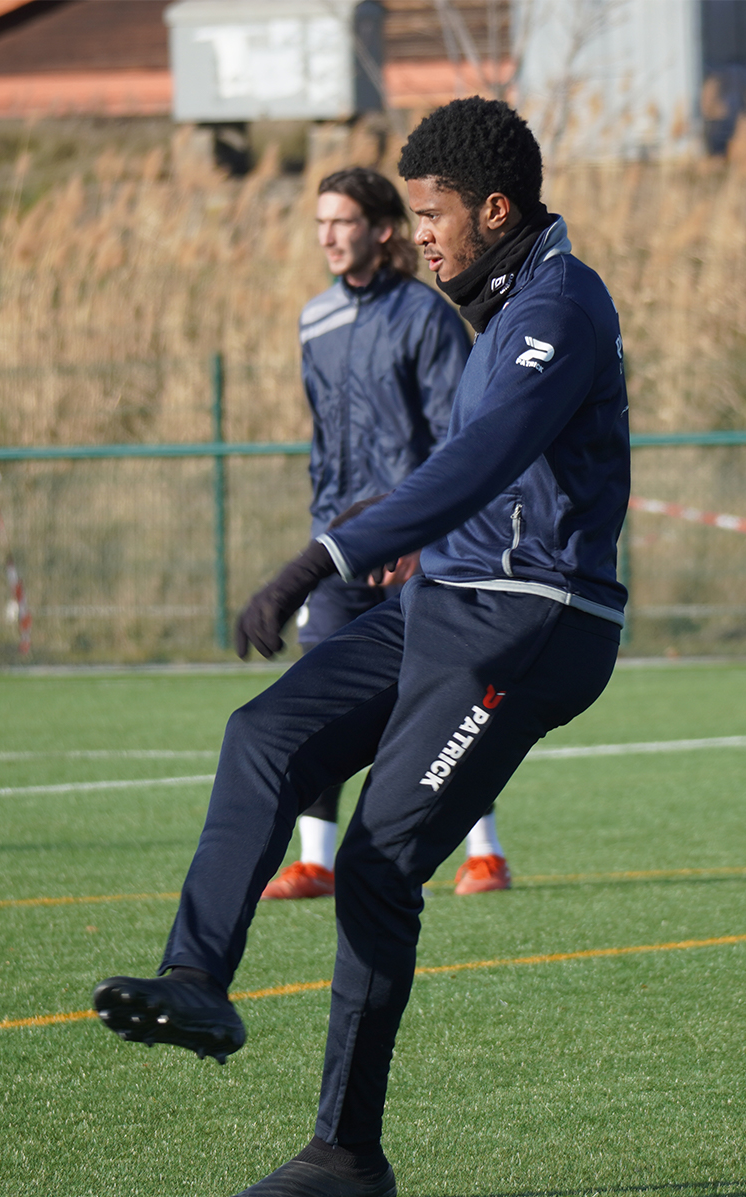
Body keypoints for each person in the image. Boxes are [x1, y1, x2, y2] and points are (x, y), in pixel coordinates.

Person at [94, 97, 629, 1197]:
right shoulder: (498, 304)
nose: (417, 232)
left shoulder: (558, 309)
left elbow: (479, 461)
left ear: (495, 208)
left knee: (378, 867)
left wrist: (321, 559)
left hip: (535, 618)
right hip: (451, 598)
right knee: (264, 732)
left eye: (433, 214)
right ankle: (196, 975)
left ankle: (345, 1154)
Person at [262, 165, 512, 903]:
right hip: (341, 542)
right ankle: (316, 859)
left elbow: (455, 435)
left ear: (381, 229)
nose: (328, 236)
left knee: (442, 693)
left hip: (415, 542)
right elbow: (321, 432)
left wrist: (422, 526)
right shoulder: (315, 319)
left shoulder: (426, 316)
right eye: (319, 224)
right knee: (320, 690)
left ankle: (484, 851)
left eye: (342, 222)